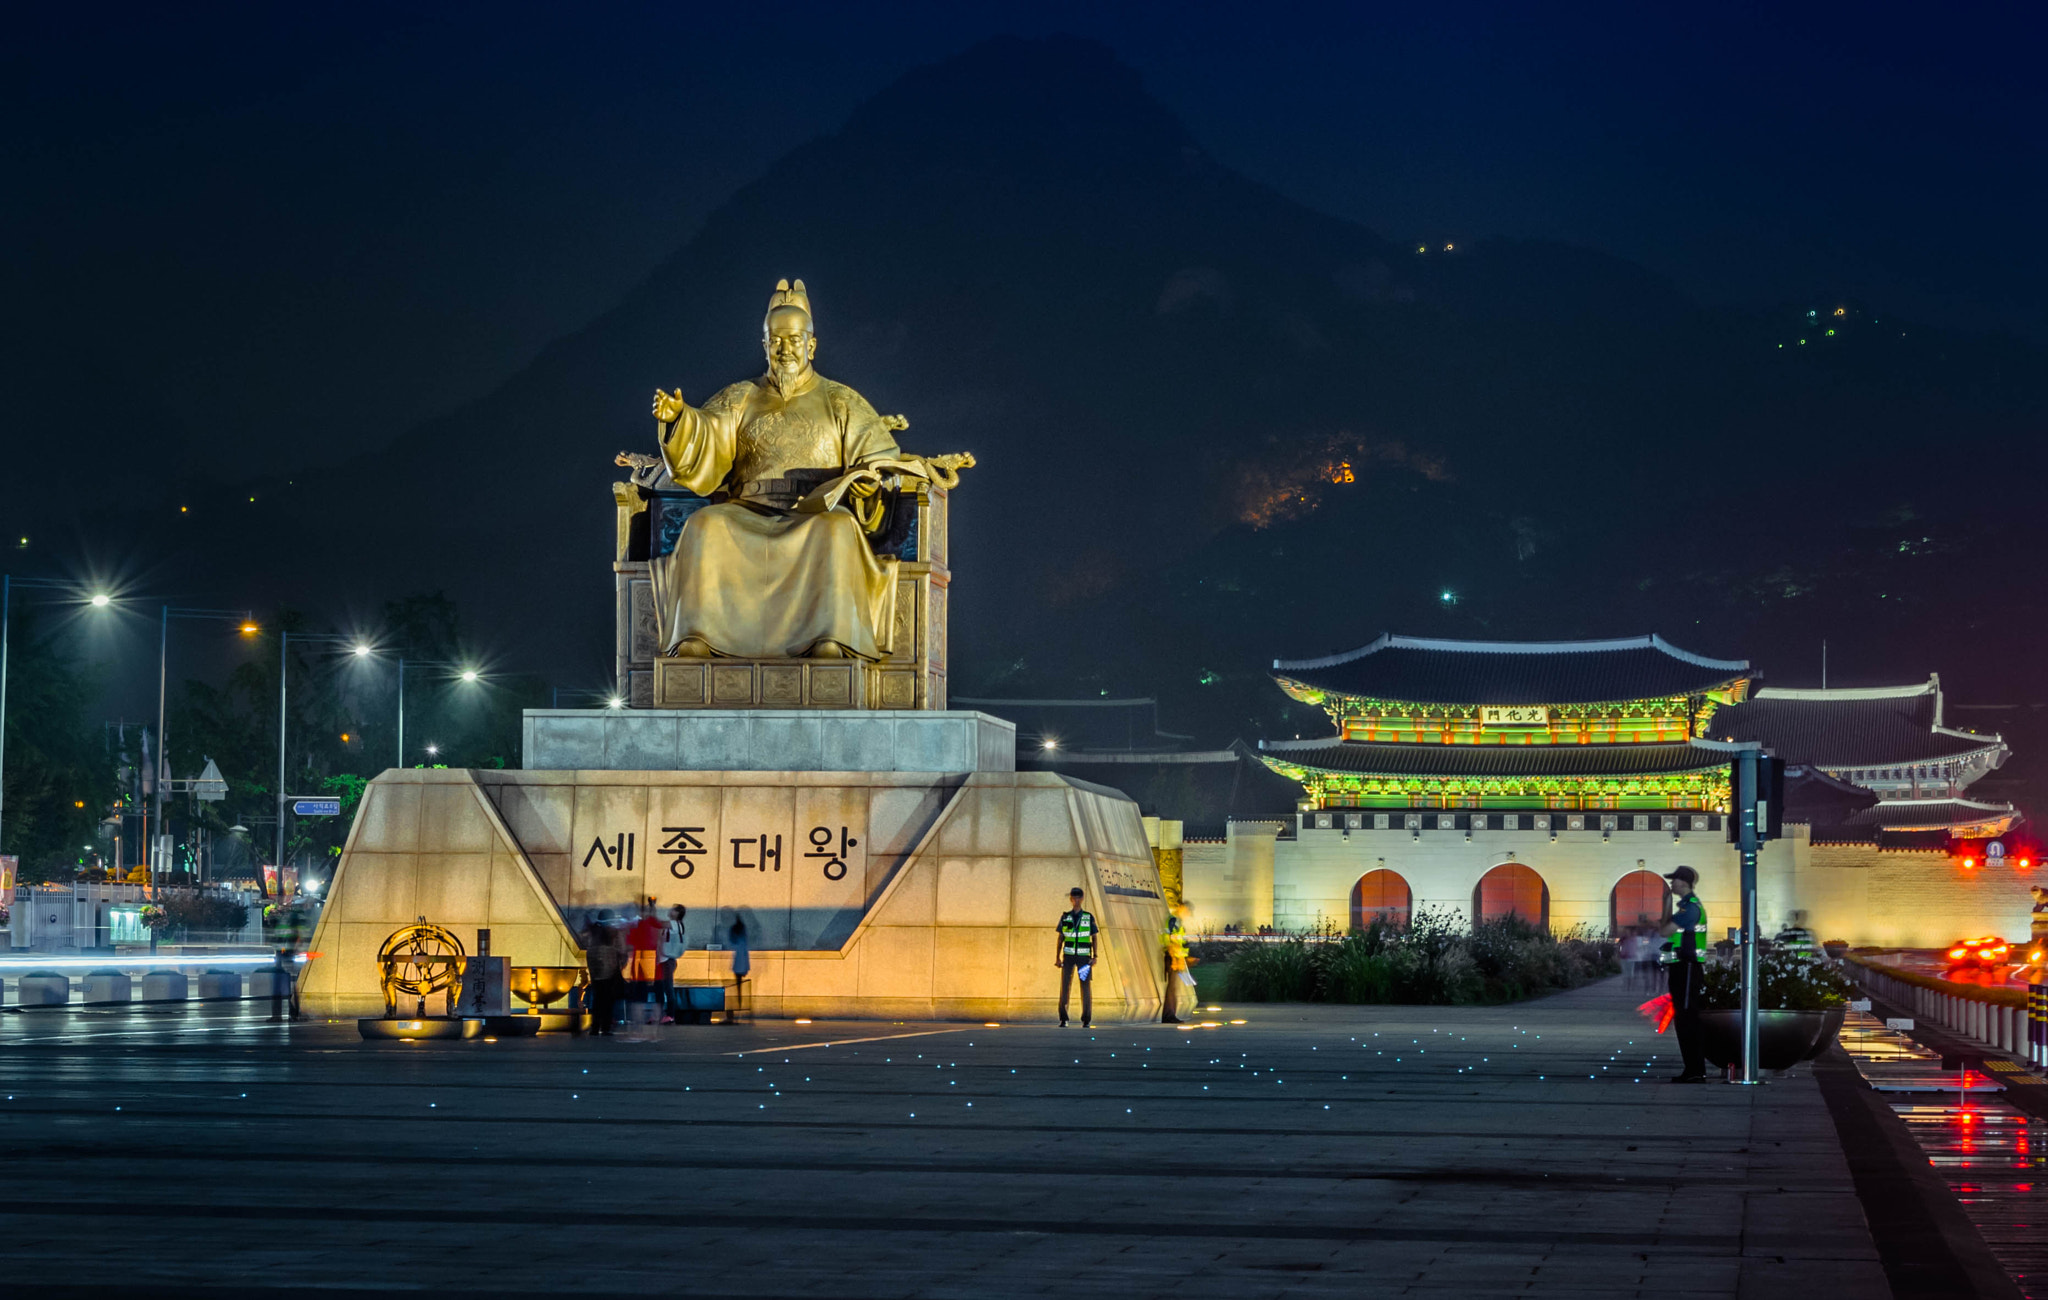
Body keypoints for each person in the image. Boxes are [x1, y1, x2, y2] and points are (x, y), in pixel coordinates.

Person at [1658, 866, 1710, 1083]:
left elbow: (1665, 930)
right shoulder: (1686, 907)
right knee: (1684, 1018)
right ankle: (1692, 1069)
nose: (1671, 884)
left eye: (1674, 881)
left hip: (1688, 969)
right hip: (1683, 968)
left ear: (1683, 883)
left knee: (1688, 1019)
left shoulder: (1689, 909)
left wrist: (1667, 905)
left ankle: (1695, 1070)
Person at [1054, 887, 1099, 1028]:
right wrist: (1057, 957)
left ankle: (1086, 1019)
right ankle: (1063, 1018)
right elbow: (1061, 938)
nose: (1076, 900)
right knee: (1065, 987)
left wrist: (1095, 956)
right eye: (1074, 898)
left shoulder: (1088, 916)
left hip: (1084, 958)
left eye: (1079, 898)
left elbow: (1094, 937)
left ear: (1082, 898)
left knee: (1085, 988)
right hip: (1068, 957)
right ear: (1071, 899)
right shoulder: (1066, 917)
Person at [624, 899, 665, 1038]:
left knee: (638, 999)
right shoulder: (657, 925)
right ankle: (654, 1032)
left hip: (640, 966)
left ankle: (638, 1031)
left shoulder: (637, 926)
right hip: (655, 966)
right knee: (657, 999)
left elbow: (628, 944)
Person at [582, 911, 626, 1036]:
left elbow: (586, 944)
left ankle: (595, 1027)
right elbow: (621, 949)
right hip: (610, 970)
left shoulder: (593, 931)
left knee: (597, 998)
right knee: (608, 999)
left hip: (595, 971)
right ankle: (606, 1027)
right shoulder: (614, 932)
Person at [1162, 902, 1193, 1024]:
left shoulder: (1175, 920)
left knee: (1174, 988)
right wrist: (1176, 958)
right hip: (1173, 957)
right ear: (1182, 908)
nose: (1188, 913)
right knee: (1172, 988)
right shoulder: (1174, 920)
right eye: (1187, 910)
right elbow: (1172, 940)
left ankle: (1170, 1014)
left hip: (1175, 956)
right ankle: (1169, 1015)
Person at [659, 904, 688, 1022]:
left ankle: (670, 1015)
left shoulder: (674, 924)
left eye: (673, 910)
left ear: (678, 913)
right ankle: (663, 1014)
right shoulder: (675, 925)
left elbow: (657, 923)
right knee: (662, 987)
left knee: (667, 987)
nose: (670, 911)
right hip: (665, 960)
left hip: (667, 960)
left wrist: (650, 912)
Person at [727, 915, 751, 1023]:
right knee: (738, 988)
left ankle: (735, 1011)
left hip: (737, 964)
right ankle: (738, 1010)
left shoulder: (736, 938)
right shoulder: (743, 939)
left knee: (737, 987)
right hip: (740, 964)